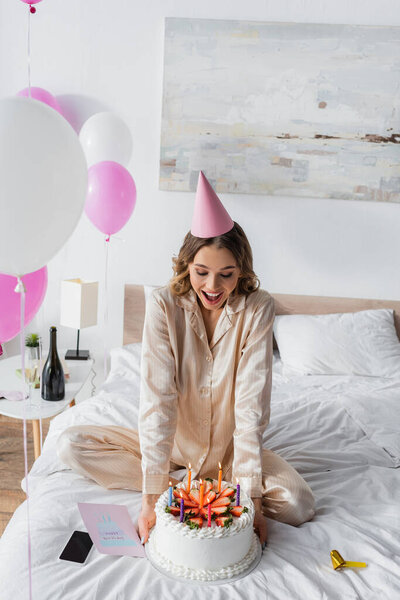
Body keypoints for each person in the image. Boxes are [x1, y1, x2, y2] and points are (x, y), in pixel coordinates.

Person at [57, 171, 315, 549]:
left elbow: (250, 406)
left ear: (241, 271)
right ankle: (184, 486)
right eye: (201, 272)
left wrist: (251, 500)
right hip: (172, 453)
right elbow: (158, 402)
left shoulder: (258, 309)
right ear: (185, 266)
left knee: (297, 502)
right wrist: (150, 499)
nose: (213, 286)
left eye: (226, 274)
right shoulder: (163, 305)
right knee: (71, 445)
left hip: (232, 455)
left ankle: (208, 488)